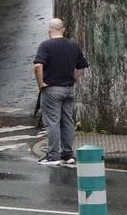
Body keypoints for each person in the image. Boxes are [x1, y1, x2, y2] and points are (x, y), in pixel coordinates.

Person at [33, 17, 89, 167]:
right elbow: (82, 67)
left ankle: (53, 156)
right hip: (68, 89)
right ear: (63, 30)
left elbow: (38, 66)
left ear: (49, 30)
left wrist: (41, 84)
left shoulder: (45, 46)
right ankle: (68, 154)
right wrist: (73, 79)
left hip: (51, 89)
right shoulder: (73, 45)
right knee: (68, 121)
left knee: (52, 122)